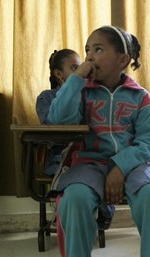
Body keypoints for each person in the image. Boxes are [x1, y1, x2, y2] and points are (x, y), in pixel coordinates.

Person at [48, 26, 150, 257]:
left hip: (133, 165)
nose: (90, 56)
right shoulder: (80, 90)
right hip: (89, 163)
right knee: (75, 199)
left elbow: (146, 143)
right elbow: (58, 121)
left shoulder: (139, 96)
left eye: (99, 49)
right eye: (88, 49)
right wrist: (75, 80)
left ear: (122, 59)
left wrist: (119, 167)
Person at [36, 49, 115, 230]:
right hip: (60, 157)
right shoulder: (46, 98)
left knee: (97, 169)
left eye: (80, 67)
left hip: (86, 153)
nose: (80, 71)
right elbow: (52, 125)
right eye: (74, 68)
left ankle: (100, 210)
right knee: (74, 182)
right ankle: (69, 213)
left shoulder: (88, 94)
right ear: (58, 74)